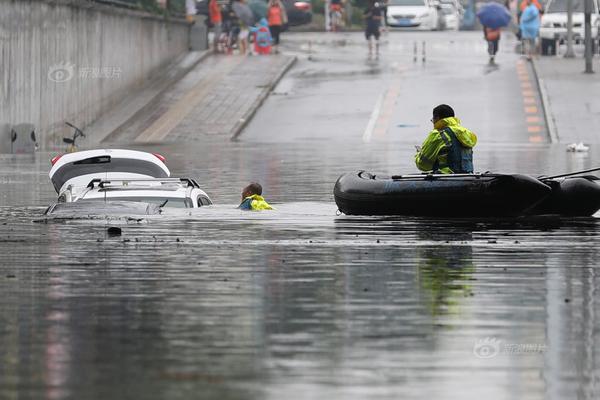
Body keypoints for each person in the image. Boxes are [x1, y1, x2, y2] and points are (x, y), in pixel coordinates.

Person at [415, 104, 477, 174]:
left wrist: (418, 155)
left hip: (445, 176)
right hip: (468, 175)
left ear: (437, 118)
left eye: (433, 120)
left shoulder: (437, 134)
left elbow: (423, 165)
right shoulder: (466, 133)